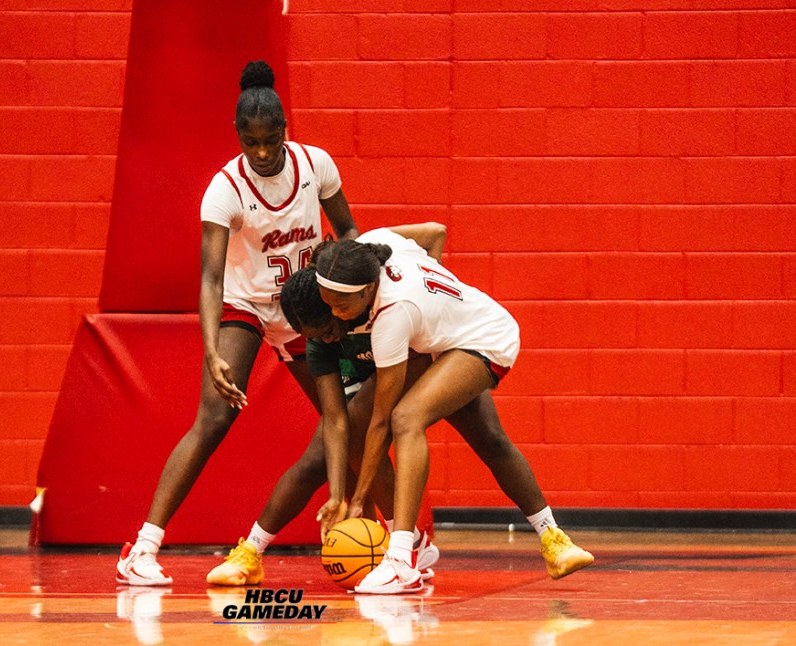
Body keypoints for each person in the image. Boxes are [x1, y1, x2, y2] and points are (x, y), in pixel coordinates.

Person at [116, 60, 358, 586]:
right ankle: (141, 549)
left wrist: (341, 293)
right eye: (253, 143)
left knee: (351, 420)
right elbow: (209, 278)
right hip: (245, 306)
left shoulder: (316, 166)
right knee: (214, 419)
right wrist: (210, 350)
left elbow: (350, 233)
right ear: (238, 137)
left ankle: (405, 542)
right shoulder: (224, 188)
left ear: (285, 131)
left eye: (272, 139)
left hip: (303, 310)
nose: (264, 152)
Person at [314, 228, 594, 594]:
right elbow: (434, 232)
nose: (335, 314)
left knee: (405, 418)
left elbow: (383, 421)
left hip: (485, 337)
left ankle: (401, 560)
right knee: (486, 440)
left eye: (342, 306)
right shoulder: (372, 245)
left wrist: (357, 502)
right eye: (328, 303)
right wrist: (439, 298)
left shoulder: (392, 314)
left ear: (368, 289)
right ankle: (553, 541)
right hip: (442, 341)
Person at [205, 224, 448, 587]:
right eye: (313, 337)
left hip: (416, 361)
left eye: (327, 330)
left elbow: (433, 231)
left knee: (481, 435)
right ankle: (251, 552)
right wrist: (336, 497)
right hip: (364, 385)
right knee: (319, 458)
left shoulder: (365, 290)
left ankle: (408, 542)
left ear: (337, 305)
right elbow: (334, 419)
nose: (325, 339)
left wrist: (435, 289)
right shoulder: (319, 338)